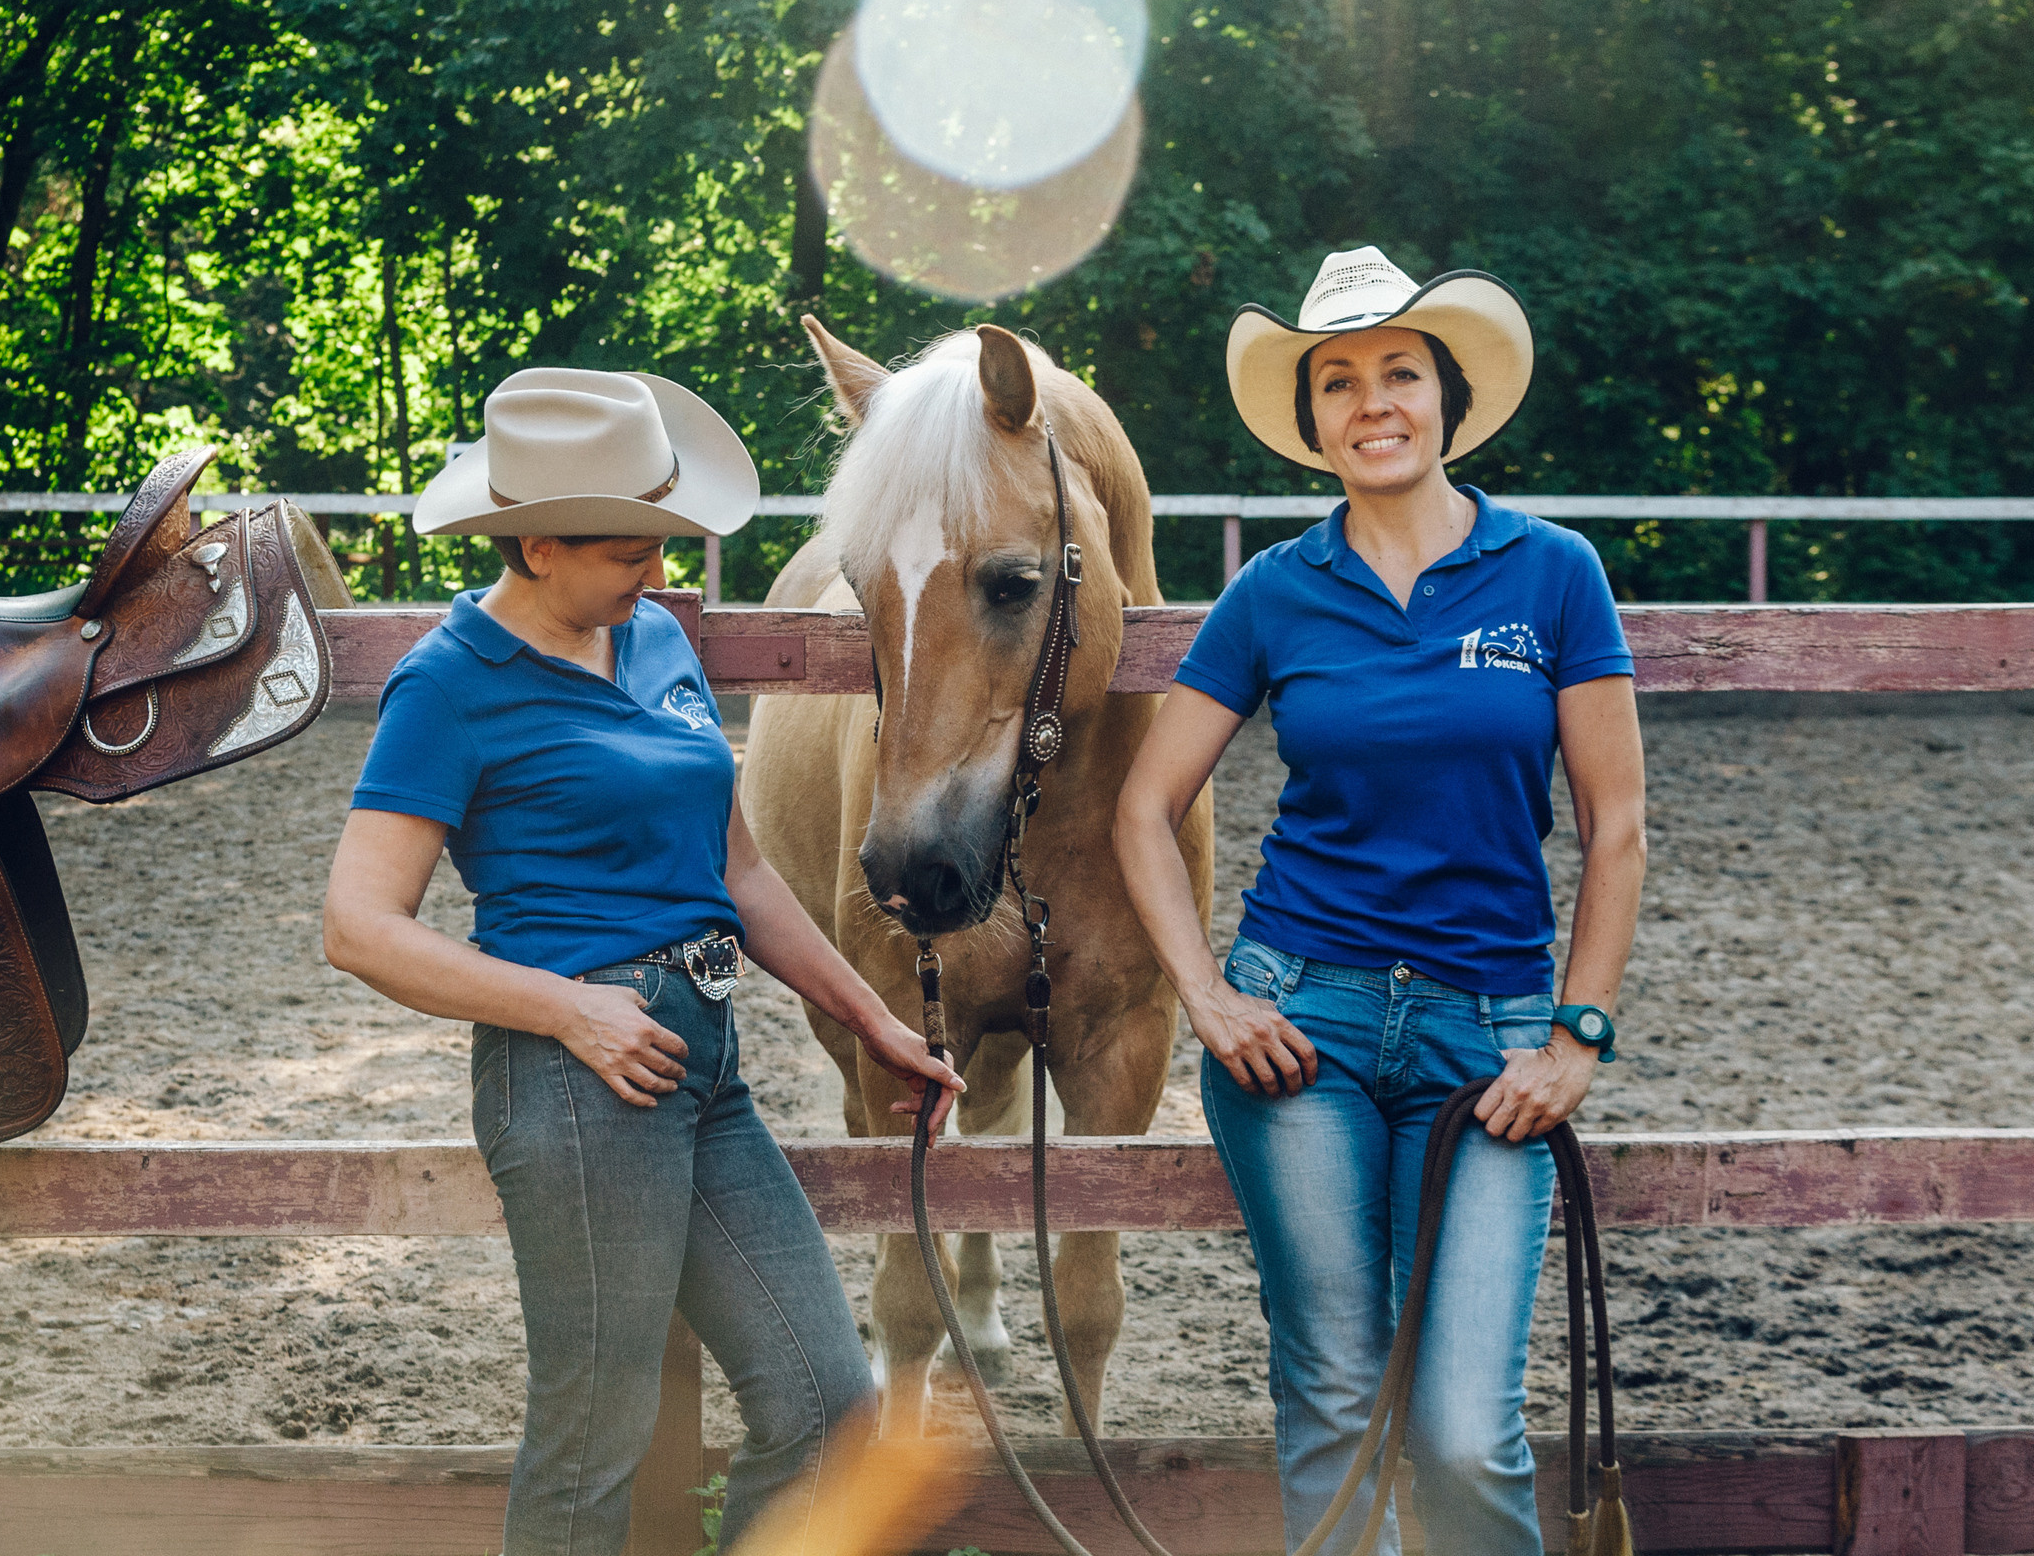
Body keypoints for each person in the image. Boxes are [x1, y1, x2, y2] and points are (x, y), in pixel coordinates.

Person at [322, 367, 963, 1556]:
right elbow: (359, 925)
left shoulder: (655, 637)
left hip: (705, 1061)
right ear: (537, 548)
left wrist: (872, 1022)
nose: (657, 572)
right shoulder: (448, 685)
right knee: (593, 1433)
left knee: (827, 1404)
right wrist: (570, 1011)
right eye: (628, 553)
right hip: (577, 1075)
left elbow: (742, 873)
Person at [1112, 249, 1648, 1555]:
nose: (1373, 403)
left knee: (1463, 1429)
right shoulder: (1273, 593)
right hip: (1302, 1027)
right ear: (1313, 423)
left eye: (1399, 372)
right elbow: (1142, 809)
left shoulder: (1553, 573)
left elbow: (1617, 827)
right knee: (1337, 1403)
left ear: (1447, 397)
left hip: (1490, 1038)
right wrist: (1206, 997)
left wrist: (1578, 1033)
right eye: (1337, 382)